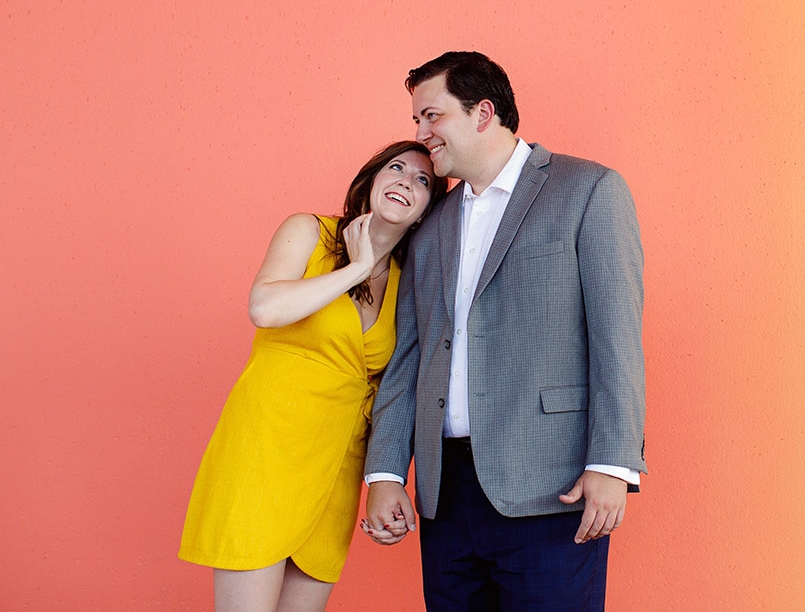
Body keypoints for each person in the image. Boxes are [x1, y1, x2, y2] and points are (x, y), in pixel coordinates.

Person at [362, 51, 646, 612]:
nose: (420, 134)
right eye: (417, 120)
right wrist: (386, 472)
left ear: (483, 113)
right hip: (446, 499)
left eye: (431, 116)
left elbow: (617, 337)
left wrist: (612, 463)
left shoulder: (589, 189)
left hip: (551, 488)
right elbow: (409, 357)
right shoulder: (430, 223)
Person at [179, 141, 444, 612]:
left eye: (422, 180)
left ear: (426, 211)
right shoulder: (310, 232)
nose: (406, 181)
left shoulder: (410, 281)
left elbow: (398, 388)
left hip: (338, 464)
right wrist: (359, 267)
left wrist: (386, 480)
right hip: (265, 452)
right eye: (396, 168)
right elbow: (265, 308)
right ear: (371, 181)